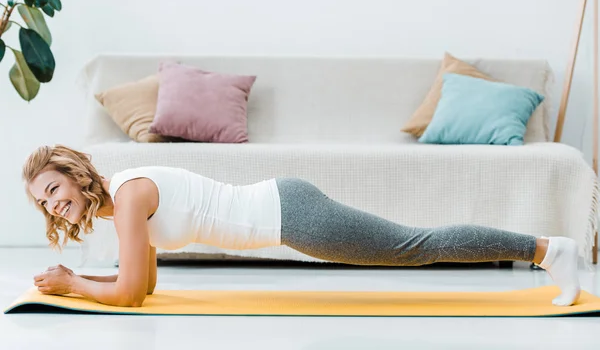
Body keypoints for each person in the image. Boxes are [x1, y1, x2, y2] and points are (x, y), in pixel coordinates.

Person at [23, 144, 581, 308]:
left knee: (411, 246)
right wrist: (88, 283)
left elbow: (128, 295)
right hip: (286, 207)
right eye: (41, 203)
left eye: (53, 190)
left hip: (290, 214)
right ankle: (547, 251)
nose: (52, 206)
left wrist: (75, 283)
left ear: (76, 177)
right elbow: (143, 286)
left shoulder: (127, 197)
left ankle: (548, 249)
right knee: (411, 244)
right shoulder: (122, 201)